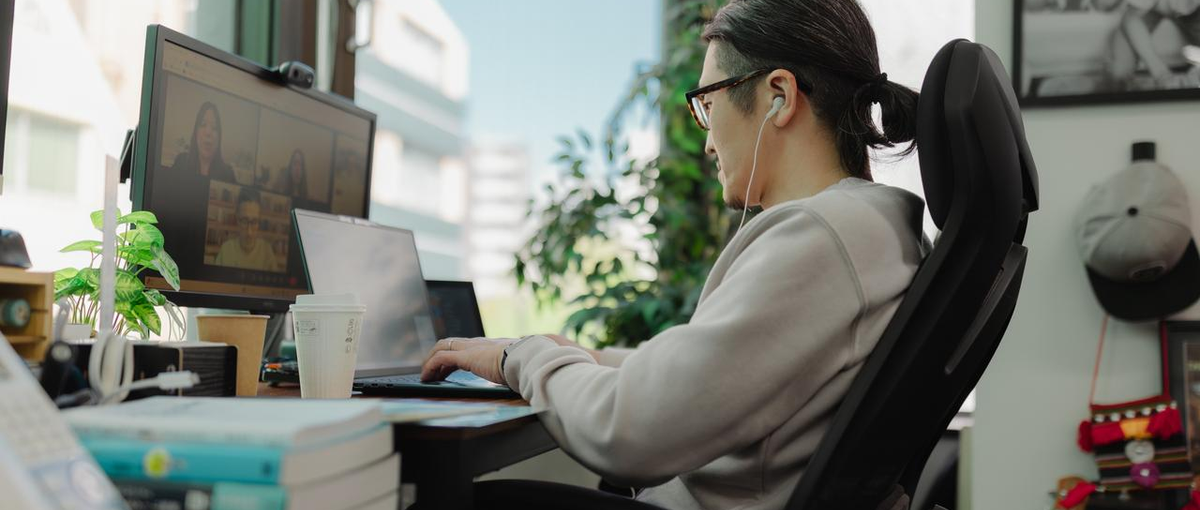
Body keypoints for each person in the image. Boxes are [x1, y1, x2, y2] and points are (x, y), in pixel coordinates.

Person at [418, 1, 927, 509]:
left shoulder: (823, 237)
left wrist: (519, 357)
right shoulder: (871, 229)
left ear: (779, 95)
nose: (707, 143)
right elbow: (708, 380)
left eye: (709, 102)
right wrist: (584, 357)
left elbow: (630, 432)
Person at [1108, 0, 1200, 90]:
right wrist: (1162, 74)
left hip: (1192, 14)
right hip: (1154, 10)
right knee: (1119, 70)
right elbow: (1130, 18)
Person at [171, 101, 238, 183]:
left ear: (219, 138)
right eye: (203, 124)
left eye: (214, 127)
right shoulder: (181, 162)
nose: (208, 132)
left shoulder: (228, 175)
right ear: (196, 132)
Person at [214, 187, 278, 272]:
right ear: (237, 219)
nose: (249, 232)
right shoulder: (225, 250)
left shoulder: (267, 251)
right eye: (244, 221)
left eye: (254, 221)